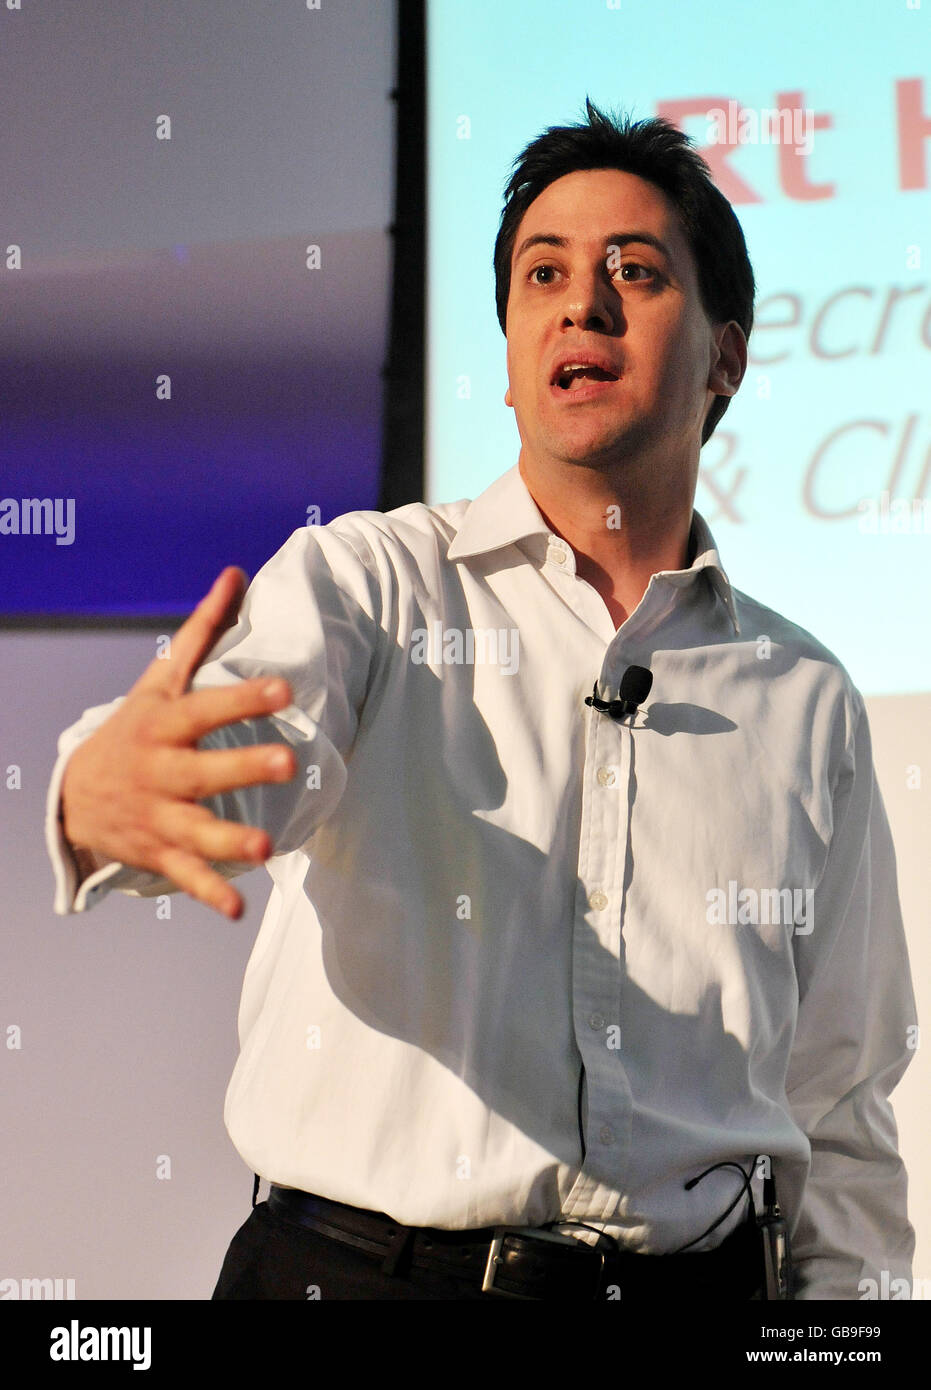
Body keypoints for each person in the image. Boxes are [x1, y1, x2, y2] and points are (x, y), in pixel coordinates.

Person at [47, 99, 916, 1301]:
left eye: (636, 271)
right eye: (541, 273)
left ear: (723, 355)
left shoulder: (806, 694)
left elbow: (841, 1107)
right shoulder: (373, 581)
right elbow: (257, 725)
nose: (581, 302)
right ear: (509, 357)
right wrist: (103, 788)